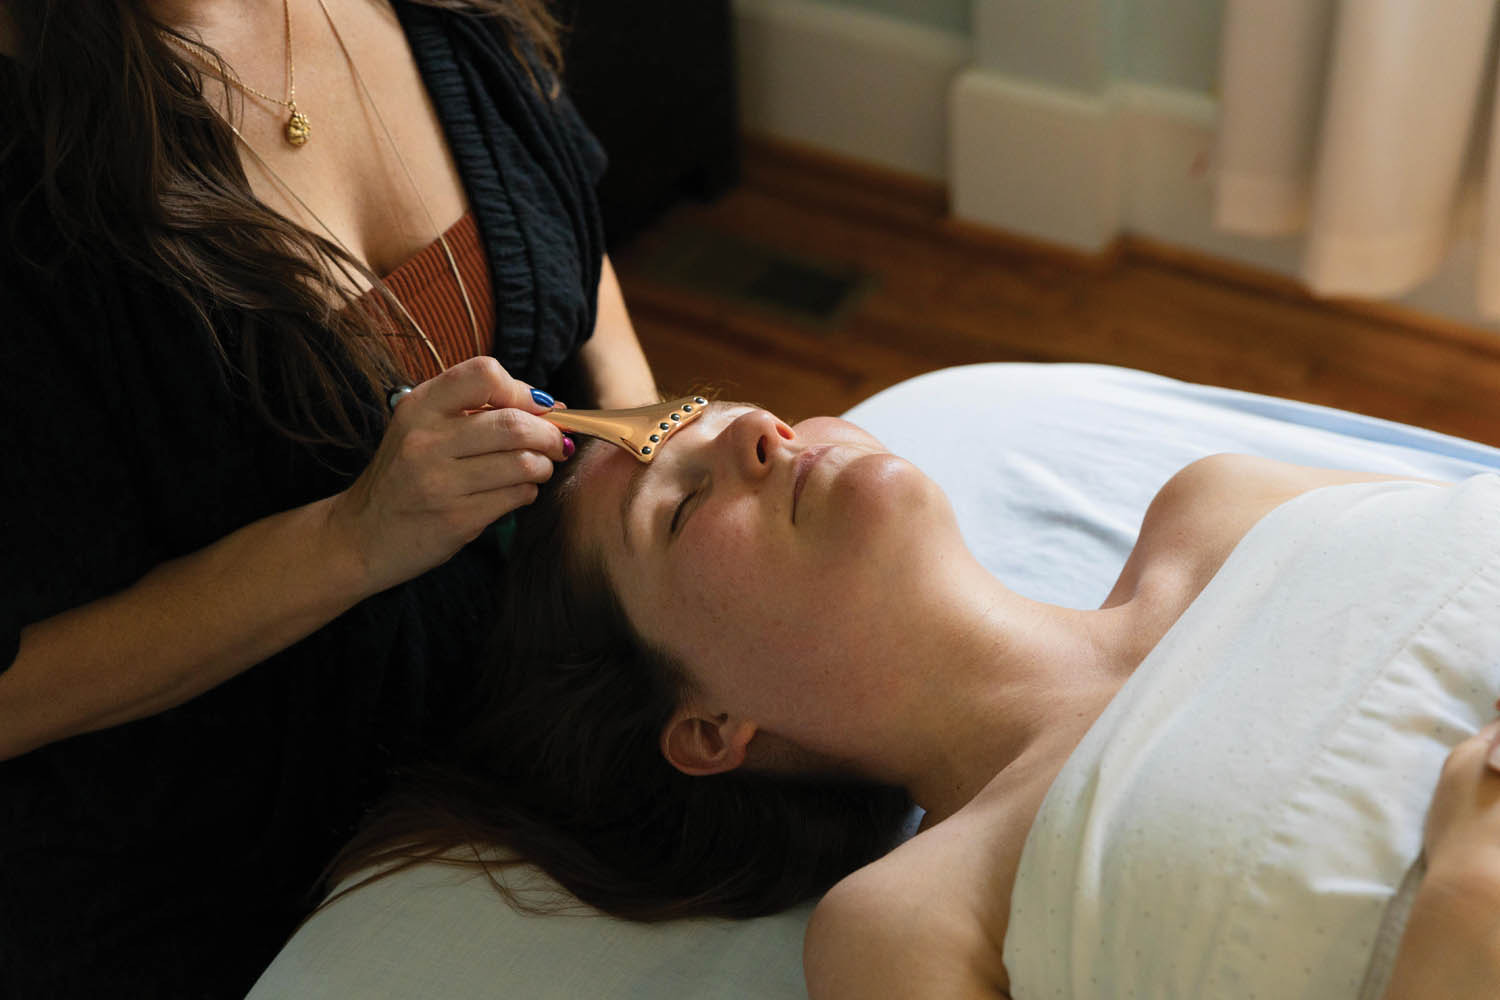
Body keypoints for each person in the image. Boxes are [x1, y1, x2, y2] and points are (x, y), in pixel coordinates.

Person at [333, 400, 1500, 999]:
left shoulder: (1225, 503)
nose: (758, 434)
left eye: (717, 413)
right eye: (679, 506)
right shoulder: (907, 924)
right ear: (709, 727)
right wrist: (1454, 940)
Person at [0, 0, 656, 995]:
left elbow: (571, 252)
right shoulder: (28, 161)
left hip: (531, 760)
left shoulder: (441, 17)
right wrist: (354, 539)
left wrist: (656, 432)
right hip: (230, 878)